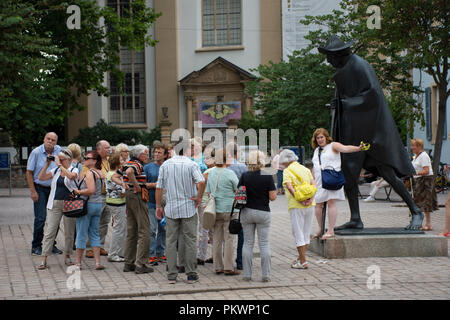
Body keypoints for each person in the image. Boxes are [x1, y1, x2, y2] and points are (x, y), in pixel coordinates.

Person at [318, 35, 424, 230]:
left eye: (330, 56)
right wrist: (338, 105)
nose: (328, 61)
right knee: (349, 174)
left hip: (372, 133)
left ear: (339, 54)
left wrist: (345, 103)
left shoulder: (359, 66)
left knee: (388, 173)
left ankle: (416, 211)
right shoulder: (344, 70)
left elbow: (373, 95)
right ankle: (356, 218)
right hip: (354, 132)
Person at [155, 141, 205, 284]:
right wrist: (199, 197)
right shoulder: (191, 164)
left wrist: (159, 205)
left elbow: (159, 187)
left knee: (170, 241)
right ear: (187, 150)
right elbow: (201, 182)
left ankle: (171, 275)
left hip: (171, 208)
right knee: (190, 240)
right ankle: (191, 274)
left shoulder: (166, 165)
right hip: (188, 207)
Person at [311, 128, 365, 240]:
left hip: (331, 178)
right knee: (318, 205)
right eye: (318, 138)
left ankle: (330, 230)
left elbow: (346, 148)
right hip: (319, 181)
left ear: (326, 137)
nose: (320, 140)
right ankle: (321, 229)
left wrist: (358, 148)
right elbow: (315, 166)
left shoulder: (333, 146)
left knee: (331, 203)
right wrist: (311, 180)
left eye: (321, 137)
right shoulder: (317, 150)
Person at [238, 150, 276, 282]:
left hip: (247, 211)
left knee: (248, 243)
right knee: (264, 244)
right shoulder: (267, 175)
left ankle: (247, 275)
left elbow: (238, 193)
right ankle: (266, 275)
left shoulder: (244, 175)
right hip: (263, 212)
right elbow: (273, 197)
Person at [37, 149, 78, 270]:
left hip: (69, 204)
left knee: (69, 232)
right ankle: (44, 258)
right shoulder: (55, 170)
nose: (59, 161)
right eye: (58, 159)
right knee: (50, 231)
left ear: (69, 159)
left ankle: (68, 256)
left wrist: (59, 164)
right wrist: (47, 164)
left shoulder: (74, 169)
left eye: (62, 159)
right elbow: (41, 177)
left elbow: (71, 177)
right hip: (54, 203)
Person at [26, 132, 62, 256]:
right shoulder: (36, 152)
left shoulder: (59, 151)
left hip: (54, 188)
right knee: (41, 218)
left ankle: (51, 244)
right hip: (40, 188)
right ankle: (36, 245)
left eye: (53, 140)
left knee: (55, 218)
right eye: (48, 139)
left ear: (56, 142)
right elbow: (29, 172)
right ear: (44, 139)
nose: (50, 141)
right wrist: (32, 191)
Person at [120, 144, 153, 274]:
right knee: (144, 230)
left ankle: (129, 262)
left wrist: (125, 184)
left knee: (131, 229)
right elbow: (129, 173)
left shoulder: (127, 163)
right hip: (137, 196)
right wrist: (136, 185)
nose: (148, 156)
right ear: (140, 155)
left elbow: (116, 176)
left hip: (129, 196)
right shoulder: (137, 164)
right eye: (146, 153)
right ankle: (141, 263)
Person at [206, 148, 239, 276]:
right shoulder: (230, 173)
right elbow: (238, 190)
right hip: (230, 210)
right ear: (225, 159)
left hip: (215, 210)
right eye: (229, 156)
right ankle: (229, 267)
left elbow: (209, 191)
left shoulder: (211, 172)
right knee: (230, 239)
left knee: (217, 239)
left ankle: (217, 266)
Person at [280, 149, 315, 270]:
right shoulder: (306, 169)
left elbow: (289, 187)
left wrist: (299, 199)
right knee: (306, 232)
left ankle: (303, 261)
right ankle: (301, 258)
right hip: (311, 205)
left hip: (296, 205)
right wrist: (310, 199)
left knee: (297, 232)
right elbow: (314, 185)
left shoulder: (287, 171)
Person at [73, 150, 105, 270]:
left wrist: (79, 191)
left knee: (81, 232)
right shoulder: (100, 172)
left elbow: (90, 190)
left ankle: (78, 263)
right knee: (94, 233)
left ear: (94, 161)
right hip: (98, 204)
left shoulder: (91, 173)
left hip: (87, 205)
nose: (85, 159)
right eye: (85, 157)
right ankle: (97, 262)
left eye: (87, 158)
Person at [84, 140, 112, 258]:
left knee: (104, 222)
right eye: (106, 148)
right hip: (96, 196)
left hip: (108, 195)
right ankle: (89, 248)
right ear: (99, 149)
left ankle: (100, 246)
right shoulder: (91, 161)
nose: (109, 150)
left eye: (109, 147)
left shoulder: (109, 161)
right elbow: (85, 176)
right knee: (94, 223)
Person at [144, 142, 168, 266]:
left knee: (163, 229)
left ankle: (160, 252)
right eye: (155, 152)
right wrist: (155, 185)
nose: (156, 154)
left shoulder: (168, 166)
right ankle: (151, 254)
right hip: (151, 202)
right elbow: (143, 184)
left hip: (165, 202)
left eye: (159, 152)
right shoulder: (148, 168)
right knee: (152, 230)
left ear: (165, 155)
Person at [226, 143, 247, 271]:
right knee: (241, 232)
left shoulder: (225, 167)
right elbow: (245, 185)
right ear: (236, 153)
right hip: (239, 201)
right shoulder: (242, 166)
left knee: (226, 232)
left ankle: (226, 259)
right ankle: (240, 261)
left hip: (225, 202)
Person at [410, 138, 438, 231]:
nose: (412, 148)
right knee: (419, 202)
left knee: (426, 202)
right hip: (419, 180)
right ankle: (420, 223)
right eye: (412, 145)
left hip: (425, 181)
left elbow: (426, 171)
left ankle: (428, 224)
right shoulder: (416, 156)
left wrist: (415, 173)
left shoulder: (423, 156)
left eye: (414, 146)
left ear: (419, 146)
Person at [106, 153, 127, 262]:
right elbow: (122, 192)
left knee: (119, 227)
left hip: (112, 202)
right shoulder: (114, 175)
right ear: (117, 163)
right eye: (121, 160)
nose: (124, 161)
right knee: (118, 229)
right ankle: (113, 253)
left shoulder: (109, 173)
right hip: (118, 203)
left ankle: (119, 252)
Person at [197, 146, 215, 265]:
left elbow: (200, 186)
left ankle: (201, 256)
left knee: (203, 230)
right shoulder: (223, 171)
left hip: (204, 204)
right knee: (215, 230)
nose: (205, 160)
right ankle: (216, 255)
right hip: (216, 204)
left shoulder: (207, 173)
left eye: (207, 158)